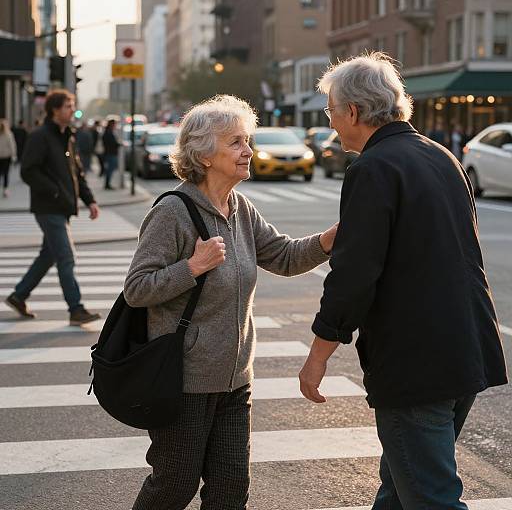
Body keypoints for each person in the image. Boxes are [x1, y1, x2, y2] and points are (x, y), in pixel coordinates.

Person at [299, 53, 508, 510]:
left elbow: (353, 277)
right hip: (465, 349)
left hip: (417, 363)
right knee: (401, 487)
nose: (331, 123)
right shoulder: (441, 156)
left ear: (353, 111)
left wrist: (317, 357)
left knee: (430, 497)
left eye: (331, 111)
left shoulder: (373, 168)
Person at [124, 95, 337, 510]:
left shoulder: (240, 208)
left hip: (236, 381)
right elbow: (138, 288)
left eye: (247, 140)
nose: (248, 151)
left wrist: (330, 238)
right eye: (236, 142)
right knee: (173, 486)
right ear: (204, 154)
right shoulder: (173, 211)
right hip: (184, 381)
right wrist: (193, 266)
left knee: (229, 491)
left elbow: (285, 256)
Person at [5, 89, 102, 326]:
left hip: (62, 206)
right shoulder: (40, 136)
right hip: (48, 206)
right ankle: (75, 309)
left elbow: (77, 173)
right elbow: (28, 170)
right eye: (68, 106)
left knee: (48, 255)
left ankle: (19, 296)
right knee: (66, 257)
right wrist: (55, 191)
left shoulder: (67, 135)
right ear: (54, 110)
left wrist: (89, 200)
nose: (72, 110)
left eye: (72, 105)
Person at [101, 119, 120, 189]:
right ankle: (107, 184)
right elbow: (111, 143)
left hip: (110, 153)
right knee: (110, 169)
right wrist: (118, 144)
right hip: (110, 153)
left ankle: (107, 183)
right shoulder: (108, 133)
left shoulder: (108, 132)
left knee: (111, 168)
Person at [0, 119, 17, 197]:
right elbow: (12, 146)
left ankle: (5, 189)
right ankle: (4, 188)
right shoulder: (9, 134)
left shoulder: (9, 134)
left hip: (6, 156)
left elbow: (12, 146)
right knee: (4, 173)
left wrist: (13, 156)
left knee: (5, 173)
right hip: (3, 156)